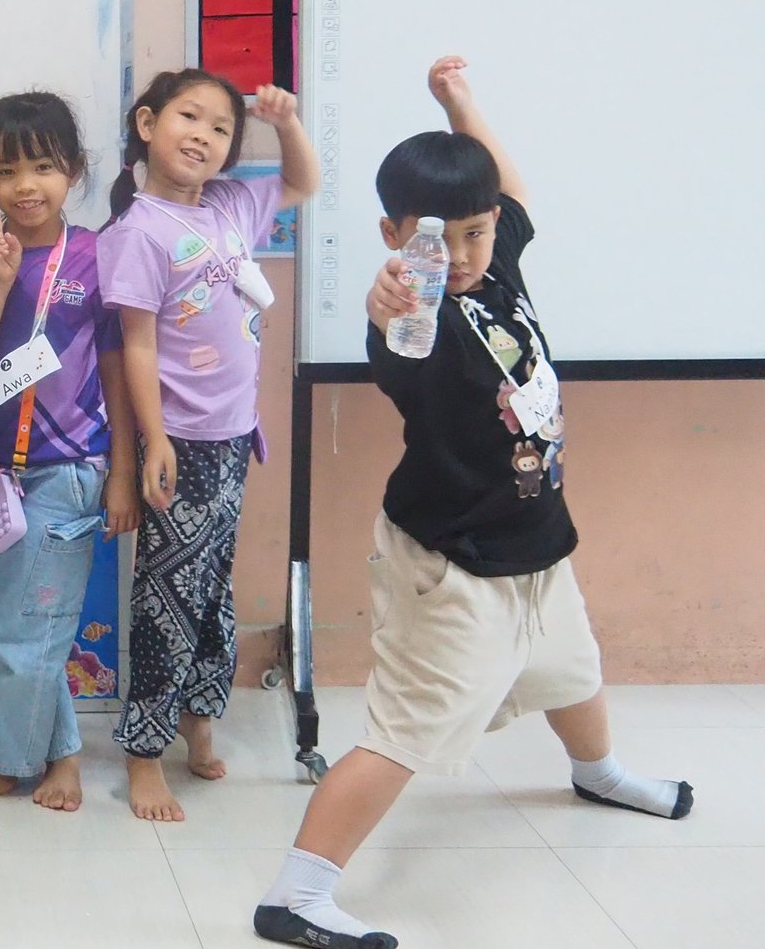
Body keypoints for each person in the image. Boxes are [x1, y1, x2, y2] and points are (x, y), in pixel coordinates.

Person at [253, 57, 692, 949]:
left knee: (571, 665)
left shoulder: (498, 274)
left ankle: (597, 771)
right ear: (393, 233)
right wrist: (385, 307)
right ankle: (296, 895)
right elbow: (397, 337)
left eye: (474, 234)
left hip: (533, 538)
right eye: (431, 239)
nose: (455, 256)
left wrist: (460, 105)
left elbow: (511, 193)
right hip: (449, 563)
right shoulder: (415, 315)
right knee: (405, 730)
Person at [100, 69, 321, 820]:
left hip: (232, 439)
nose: (202, 135)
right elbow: (133, 345)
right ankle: (142, 753)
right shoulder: (137, 232)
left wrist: (285, 122)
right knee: (165, 596)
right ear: (146, 123)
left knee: (211, 591)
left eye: (221, 128)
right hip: (181, 444)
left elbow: (303, 180)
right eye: (187, 117)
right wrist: (153, 440)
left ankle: (199, 718)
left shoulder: (230, 207)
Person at [0, 92, 134, 814]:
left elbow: (117, 371)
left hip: (71, 471)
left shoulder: (101, 257)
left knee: (20, 628)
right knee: (25, 621)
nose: (26, 185)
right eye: (7, 171)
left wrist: (124, 473)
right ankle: (61, 756)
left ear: (73, 169)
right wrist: (0, 284)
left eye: (43, 166)